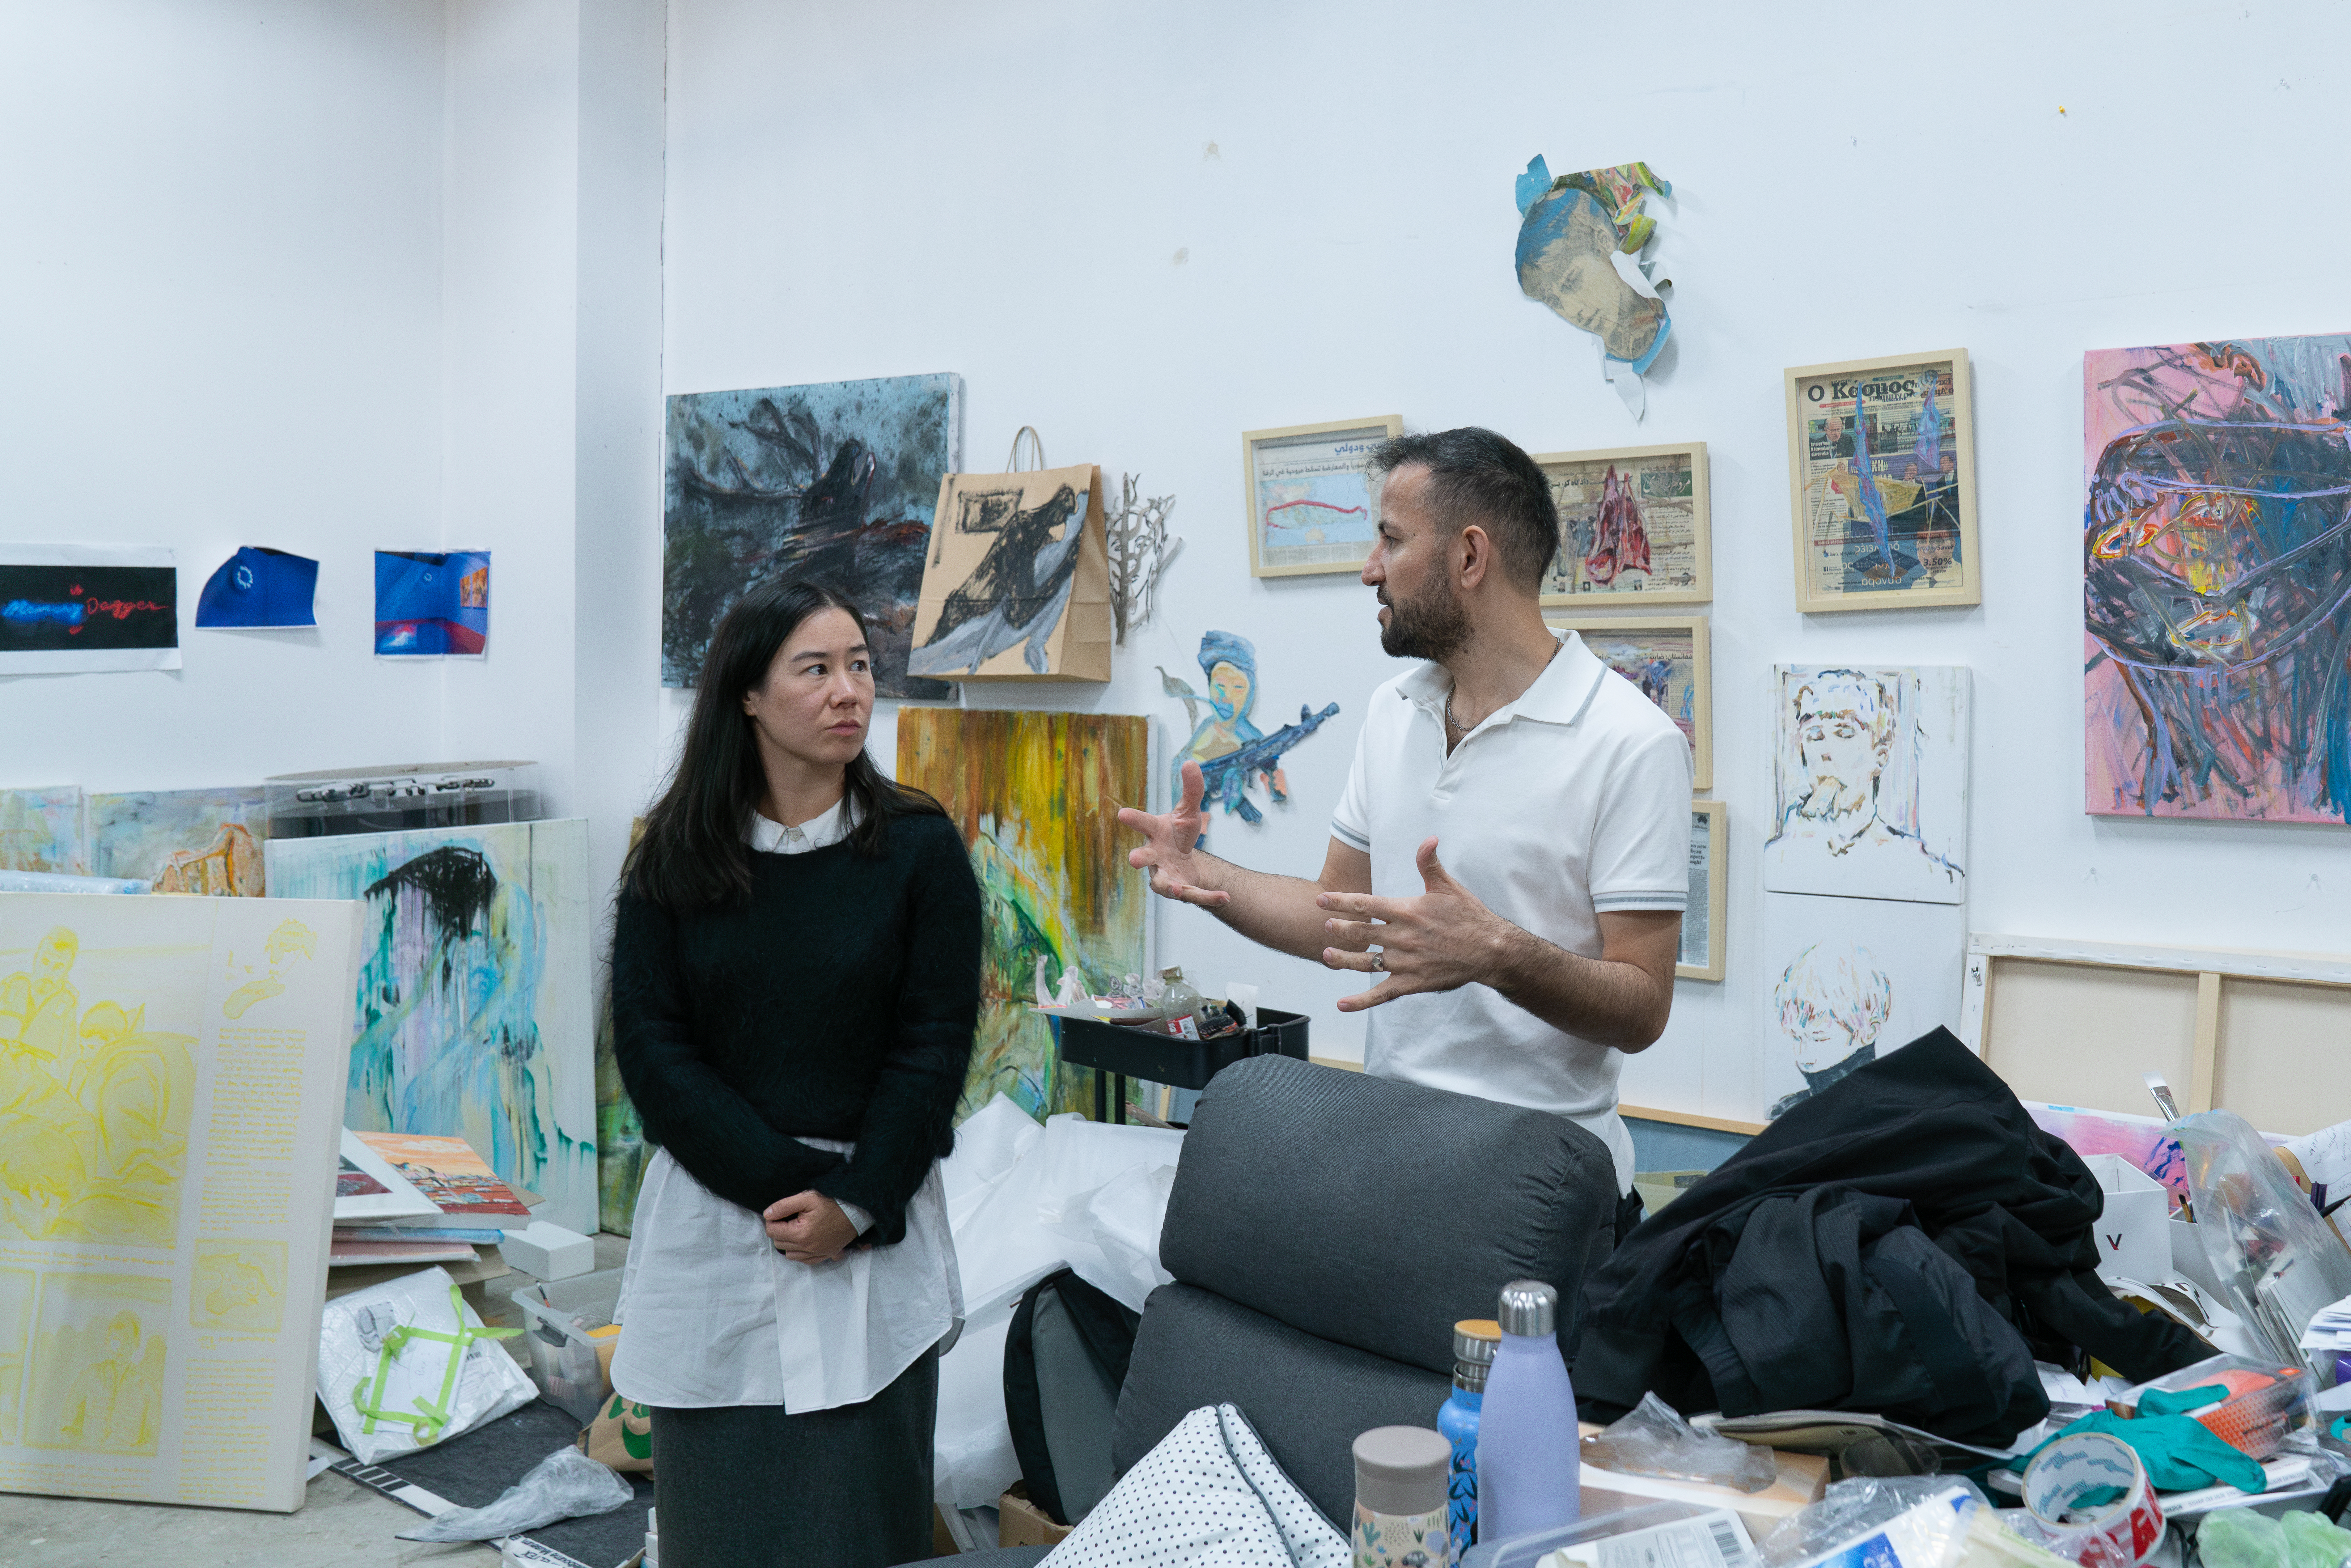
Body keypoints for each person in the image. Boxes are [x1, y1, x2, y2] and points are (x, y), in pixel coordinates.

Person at [1119, 427, 1691, 1233]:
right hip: (1395, 1167)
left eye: (1390, 539)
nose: (1369, 568)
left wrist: (1495, 952)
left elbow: (1642, 1006)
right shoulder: (1395, 711)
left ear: (1469, 557)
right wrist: (1205, 876)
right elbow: (1341, 913)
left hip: (1548, 1197)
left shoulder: (1631, 742)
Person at [609, 576, 982, 1568]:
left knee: (862, 1509)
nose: (847, 690)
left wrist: (854, 1202)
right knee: (722, 1515)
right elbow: (653, 1046)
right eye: (814, 669)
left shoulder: (916, 846)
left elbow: (933, 1041)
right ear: (747, 693)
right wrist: (787, 1186)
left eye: (859, 665)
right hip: (721, 1216)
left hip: (870, 1218)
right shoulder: (674, 855)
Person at [1762, 669, 1963, 900]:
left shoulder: (1918, 869)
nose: (1825, 753)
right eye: (1815, 736)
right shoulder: (1778, 857)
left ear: (1880, 756)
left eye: (1845, 734)